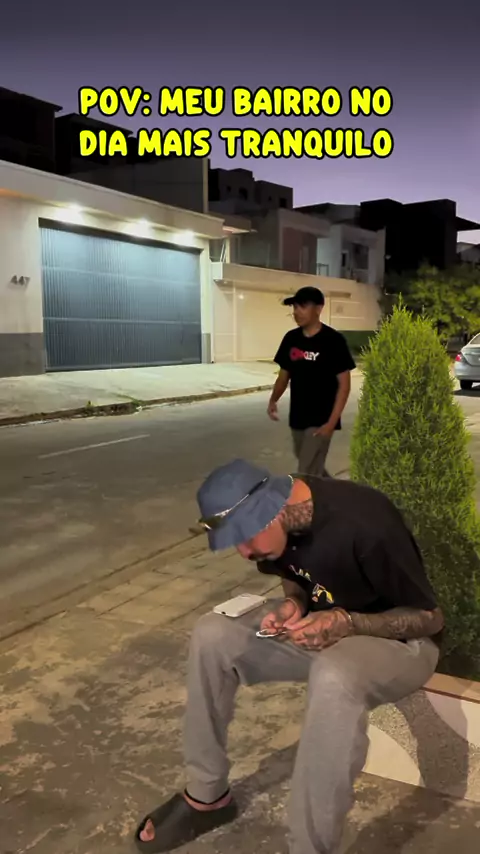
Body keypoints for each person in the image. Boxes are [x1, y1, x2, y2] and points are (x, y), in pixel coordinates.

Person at [135, 459, 443, 854]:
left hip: (402, 645)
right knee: (212, 633)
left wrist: (346, 622)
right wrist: (293, 605)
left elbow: (429, 618)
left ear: (276, 507)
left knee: (334, 676)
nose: (245, 552)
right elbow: (295, 574)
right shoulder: (279, 518)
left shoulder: (366, 523)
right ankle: (207, 796)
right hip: (326, 630)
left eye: (247, 536)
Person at [268, 286, 356, 478]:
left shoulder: (334, 341)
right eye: (295, 307)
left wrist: (331, 423)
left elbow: (344, 385)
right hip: (298, 417)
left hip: (322, 419)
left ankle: (311, 497)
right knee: (310, 465)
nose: (297, 312)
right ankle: (332, 490)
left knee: (305, 472)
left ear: (318, 308)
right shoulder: (291, 338)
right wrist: (273, 399)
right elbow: (283, 375)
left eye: (303, 306)